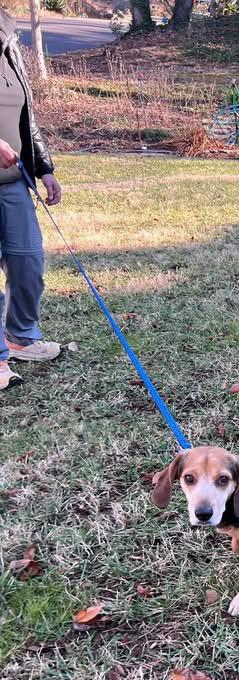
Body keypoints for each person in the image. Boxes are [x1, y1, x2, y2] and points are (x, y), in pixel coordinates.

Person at [0, 7, 63, 392]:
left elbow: (27, 116)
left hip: (12, 182)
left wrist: (44, 167)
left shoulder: (9, 42)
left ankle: (20, 337)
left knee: (28, 261)